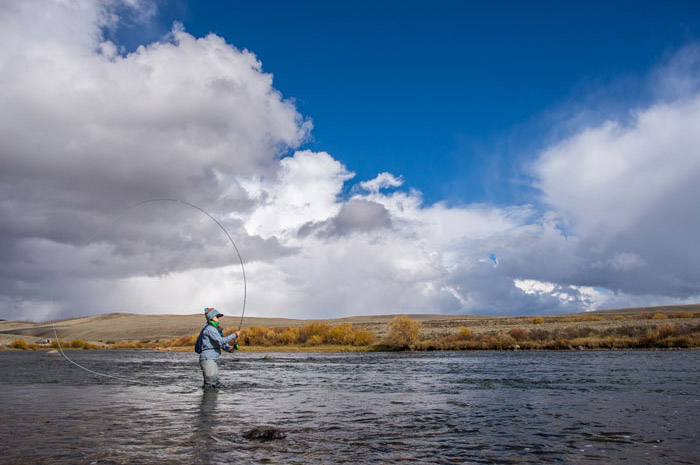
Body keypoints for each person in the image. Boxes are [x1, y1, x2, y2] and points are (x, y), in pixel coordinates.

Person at [197, 307, 240, 389]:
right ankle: (208, 401)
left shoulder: (214, 329)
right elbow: (220, 340)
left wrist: (229, 349)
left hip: (211, 359)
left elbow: (219, 343)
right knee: (211, 384)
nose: (218, 319)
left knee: (215, 383)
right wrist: (234, 335)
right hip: (208, 359)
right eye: (217, 317)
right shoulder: (210, 329)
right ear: (212, 317)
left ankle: (209, 401)